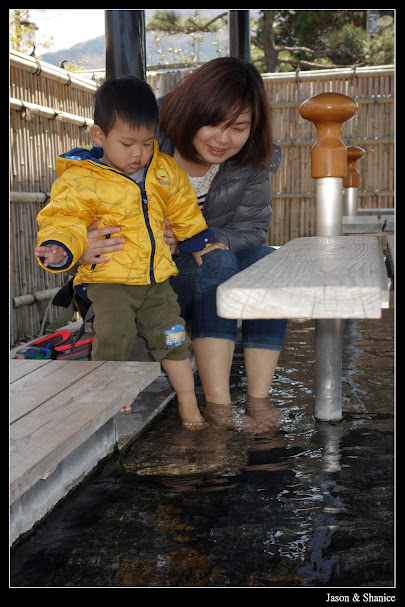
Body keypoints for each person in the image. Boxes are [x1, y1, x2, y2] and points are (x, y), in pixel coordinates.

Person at [77, 58, 288, 431]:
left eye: (238, 128)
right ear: (193, 112)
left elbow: (253, 230)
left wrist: (199, 240)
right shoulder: (143, 136)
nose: (224, 139)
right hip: (150, 278)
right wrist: (83, 240)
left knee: (267, 262)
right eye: (213, 124)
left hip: (202, 264)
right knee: (220, 265)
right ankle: (220, 407)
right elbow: (74, 201)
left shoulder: (254, 159)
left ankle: (259, 400)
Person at [35, 75, 227, 430]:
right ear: (99, 136)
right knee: (114, 336)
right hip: (110, 282)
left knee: (173, 337)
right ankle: (113, 397)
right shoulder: (81, 179)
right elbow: (63, 219)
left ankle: (188, 403)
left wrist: (198, 241)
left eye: (147, 142)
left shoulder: (164, 171)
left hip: (156, 283)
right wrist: (62, 247)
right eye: (127, 143)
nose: (138, 153)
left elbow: (184, 207)